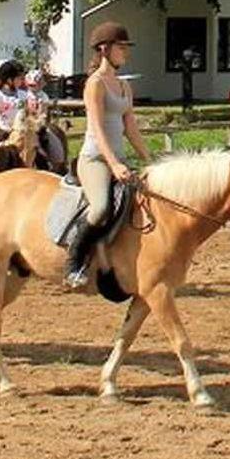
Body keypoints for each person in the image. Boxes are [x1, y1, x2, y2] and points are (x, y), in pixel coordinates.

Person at [68, 22, 152, 289]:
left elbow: (131, 128)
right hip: (95, 159)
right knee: (101, 207)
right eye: (121, 47)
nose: (125, 52)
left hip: (119, 160)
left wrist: (150, 159)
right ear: (104, 49)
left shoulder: (124, 86)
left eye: (126, 47)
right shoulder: (95, 84)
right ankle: (75, 262)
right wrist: (113, 164)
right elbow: (97, 128)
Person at [0, 59, 26, 141]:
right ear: (9, 80)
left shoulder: (23, 95)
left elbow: (24, 112)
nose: (22, 81)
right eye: (19, 78)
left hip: (19, 132)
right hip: (2, 133)